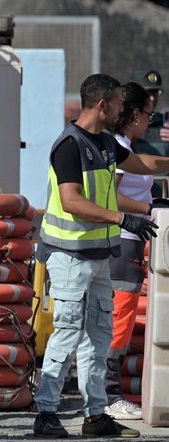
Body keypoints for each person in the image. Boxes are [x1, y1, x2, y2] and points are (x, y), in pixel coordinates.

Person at [32, 73, 169, 438]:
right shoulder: (69, 144)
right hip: (69, 253)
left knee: (98, 334)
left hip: (98, 254)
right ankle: (46, 411)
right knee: (67, 330)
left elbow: (141, 164)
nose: (123, 109)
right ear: (102, 104)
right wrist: (122, 217)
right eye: (120, 102)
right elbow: (71, 200)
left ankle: (96, 415)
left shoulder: (106, 141)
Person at [105, 82, 169, 420]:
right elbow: (110, 198)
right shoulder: (115, 146)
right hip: (122, 239)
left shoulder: (125, 146)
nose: (150, 120)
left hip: (129, 240)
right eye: (147, 113)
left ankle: (108, 392)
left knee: (123, 318)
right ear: (133, 115)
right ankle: (109, 393)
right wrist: (148, 209)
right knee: (120, 317)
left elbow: (149, 165)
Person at [131, 70, 169, 158]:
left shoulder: (165, 123)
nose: (152, 98)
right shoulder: (123, 124)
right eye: (148, 93)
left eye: (155, 93)